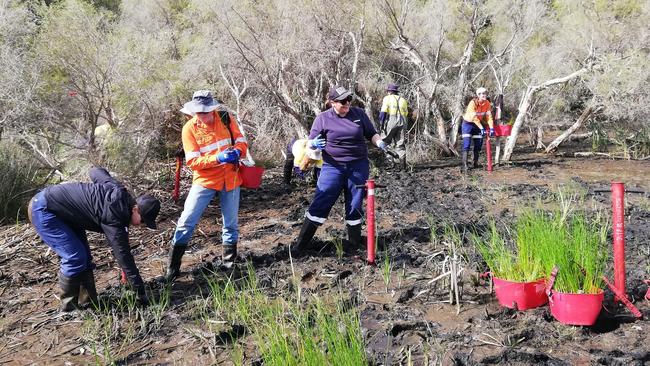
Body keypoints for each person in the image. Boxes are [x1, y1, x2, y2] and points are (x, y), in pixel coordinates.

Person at [28, 167, 161, 311]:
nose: (141, 225)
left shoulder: (117, 189)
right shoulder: (115, 217)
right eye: (142, 221)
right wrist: (140, 292)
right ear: (135, 209)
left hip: (66, 213)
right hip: (44, 209)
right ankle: (68, 309)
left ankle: (88, 302)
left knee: (84, 257)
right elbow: (124, 258)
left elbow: (94, 171)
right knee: (75, 258)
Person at [293, 86, 390, 252]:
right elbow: (310, 142)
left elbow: (372, 134)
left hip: (358, 165)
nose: (347, 103)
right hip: (333, 166)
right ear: (332, 103)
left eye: (349, 100)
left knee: (354, 203)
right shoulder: (322, 119)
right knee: (322, 200)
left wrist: (380, 142)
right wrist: (313, 144)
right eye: (342, 101)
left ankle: (354, 243)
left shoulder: (358, 114)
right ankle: (301, 244)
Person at [165, 90, 249, 280]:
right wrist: (218, 158)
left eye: (205, 112)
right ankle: (172, 269)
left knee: (231, 223)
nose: (201, 116)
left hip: (231, 177)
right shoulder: (189, 129)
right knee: (187, 220)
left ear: (213, 109)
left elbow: (242, 142)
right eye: (198, 112)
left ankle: (229, 263)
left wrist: (238, 151)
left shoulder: (226, 118)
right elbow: (193, 162)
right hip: (205, 180)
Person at [460, 87, 495, 173]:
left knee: (478, 144)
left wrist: (491, 128)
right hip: (468, 124)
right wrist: (482, 128)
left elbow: (489, 117)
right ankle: (464, 165)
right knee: (466, 144)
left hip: (478, 125)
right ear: (478, 95)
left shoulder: (487, 103)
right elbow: (474, 117)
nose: (484, 95)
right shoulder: (472, 103)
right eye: (482, 94)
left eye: (485, 94)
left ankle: (475, 163)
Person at [378, 83, 409, 170]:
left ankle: (391, 162)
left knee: (385, 141)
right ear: (396, 92)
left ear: (389, 91)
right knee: (400, 143)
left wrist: (381, 124)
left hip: (392, 119)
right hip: (403, 121)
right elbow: (406, 113)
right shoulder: (403, 100)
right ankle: (402, 166)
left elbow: (383, 113)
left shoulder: (387, 98)